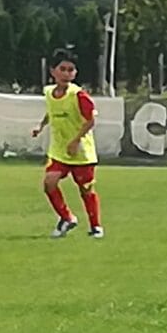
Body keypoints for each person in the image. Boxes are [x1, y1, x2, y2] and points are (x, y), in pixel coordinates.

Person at [31, 49, 104, 238]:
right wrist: (41, 126)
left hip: (81, 152)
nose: (66, 74)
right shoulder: (49, 93)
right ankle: (67, 218)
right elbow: (51, 111)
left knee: (86, 189)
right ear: (52, 71)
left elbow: (90, 120)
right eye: (62, 69)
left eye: (70, 70)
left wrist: (76, 140)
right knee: (49, 182)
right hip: (59, 151)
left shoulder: (79, 95)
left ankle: (95, 226)